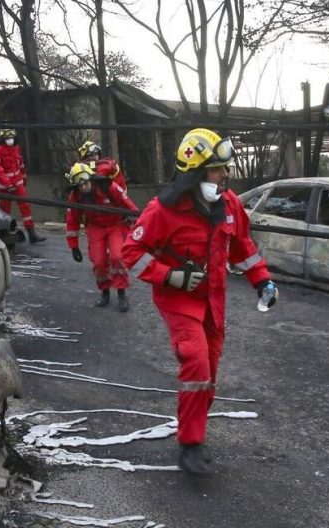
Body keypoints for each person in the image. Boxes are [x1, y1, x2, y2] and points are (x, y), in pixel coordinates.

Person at [121, 128, 278, 476]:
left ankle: (196, 433)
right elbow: (131, 252)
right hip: (178, 303)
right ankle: (190, 444)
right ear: (194, 172)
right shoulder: (162, 211)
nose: (225, 175)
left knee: (208, 376)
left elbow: (242, 249)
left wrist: (262, 280)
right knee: (196, 365)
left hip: (214, 302)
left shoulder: (230, 205)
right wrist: (171, 276)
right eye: (217, 169)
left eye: (225, 168)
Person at [65, 162, 139, 312]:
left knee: (117, 257)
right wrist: (74, 246)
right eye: (80, 185)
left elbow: (129, 205)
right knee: (98, 261)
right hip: (95, 227)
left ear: (91, 179)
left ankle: (121, 293)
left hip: (115, 224)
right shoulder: (76, 196)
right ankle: (105, 291)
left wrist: (140, 229)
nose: (83, 187)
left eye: (85, 183)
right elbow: (72, 220)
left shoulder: (108, 186)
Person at [0, 128, 45, 243]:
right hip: (5, 186)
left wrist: (24, 176)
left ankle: (32, 234)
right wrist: (8, 184)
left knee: (25, 206)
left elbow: (20, 163)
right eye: (7, 138)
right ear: (2, 139)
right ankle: (5, 233)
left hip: (18, 181)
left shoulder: (16, 148)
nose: (10, 140)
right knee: (5, 210)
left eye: (11, 138)